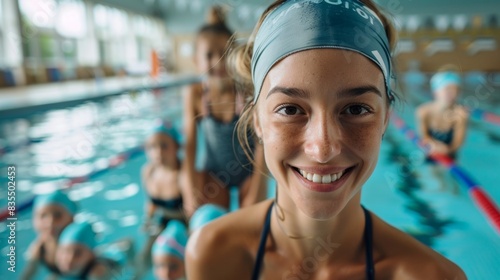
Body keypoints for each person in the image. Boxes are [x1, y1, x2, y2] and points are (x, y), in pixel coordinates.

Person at [186, 1, 466, 279]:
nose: (322, 149)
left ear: (385, 119)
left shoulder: (432, 276)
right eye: (290, 109)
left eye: (356, 109)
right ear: (257, 119)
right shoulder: (213, 254)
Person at [182, 5, 267, 216]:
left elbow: (261, 146)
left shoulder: (246, 91)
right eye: (209, 55)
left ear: (234, 57)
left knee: (249, 221)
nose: (217, 61)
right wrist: (189, 188)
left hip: (249, 173)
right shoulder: (195, 94)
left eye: (225, 53)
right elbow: (190, 146)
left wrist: (258, 187)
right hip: (213, 176)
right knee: (208, 220)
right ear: (196, 60)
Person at [135, 121, 187, 279]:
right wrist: (147, 220)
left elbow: (193, 208)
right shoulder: (148, 172)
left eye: (164, 146)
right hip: (162, 221)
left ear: (177, 147)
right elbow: (151, 202)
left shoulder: (183, 173)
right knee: (143, 259)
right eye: (152, 147)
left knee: (177, 263)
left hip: (184, 224)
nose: (158, 152)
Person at [416, 66, 468, 193]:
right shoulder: (424, 111)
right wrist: (432, 144)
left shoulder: (460, 114)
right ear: (436, 91)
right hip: (431, 154)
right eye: (447, 89)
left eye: (455, 89)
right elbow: (424, 137)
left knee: (455, 190)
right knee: (435, 185)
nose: (451, 93)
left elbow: (458, 143)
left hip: (450, 155)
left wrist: (447, 150)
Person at [21, 190, 77, 280]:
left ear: (71, 218)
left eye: (57, 215)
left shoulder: (77, 244)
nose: (50, 223)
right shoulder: (40, 247)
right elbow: (27, 275)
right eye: (43, 216)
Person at [55, 221, 122, 279]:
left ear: (91, 255)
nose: (70, 258)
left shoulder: (97, 272)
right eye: (65, 252)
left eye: (78, 253)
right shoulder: (59, 274)